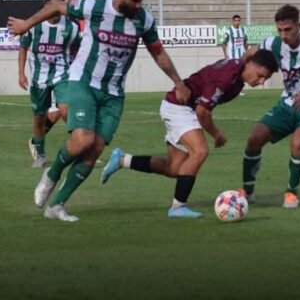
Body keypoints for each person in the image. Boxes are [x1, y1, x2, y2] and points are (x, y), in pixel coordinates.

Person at [8, 0, 190, 222]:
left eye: (141, 0)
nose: (139, 5)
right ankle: (51, 175)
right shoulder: (94, 7)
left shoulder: (144, 20)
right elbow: (58, 7)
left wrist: (178, 82)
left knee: (94, 151)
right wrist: (26, 24)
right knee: (82, 141)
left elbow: (157, 52)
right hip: (84, 82)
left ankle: (56, 205)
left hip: (114, 93)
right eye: (135, 0)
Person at [100, 49, 279, 218]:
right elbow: (203, 112)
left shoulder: (238, 67)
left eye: (266, 78)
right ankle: (178, 207)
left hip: (181, 108)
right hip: (179, 107)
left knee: (173, 168)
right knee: (200, 152)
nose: (262, 81)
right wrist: (217, 135)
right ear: (251, 64)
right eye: (260, 75)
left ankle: (122, 160)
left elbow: (249, 53)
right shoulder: (227, 78)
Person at [240, 5, 300, 209]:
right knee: (254, 139)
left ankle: (291, 193)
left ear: (299, 26)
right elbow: (249, 54)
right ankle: (247, 192)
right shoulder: (272, 43)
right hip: (287, 103)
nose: (283, 35)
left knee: (298, 143)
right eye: (280, 30)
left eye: (288, 30)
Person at [18, 0, 81, 168]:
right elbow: (23, 48)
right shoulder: (34, 26)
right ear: (45, 5)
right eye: (52, 5)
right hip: (39, 78)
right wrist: (21, 73)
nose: (55, 9)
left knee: (66, 109)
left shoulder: (71, 27)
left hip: (63, 75)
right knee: (39, 117)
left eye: (58, 5)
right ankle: (40, 154)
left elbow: (80, 48)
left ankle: (79, 148)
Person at [40, 0, 81, 140]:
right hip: (57, 72)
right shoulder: (48, 20)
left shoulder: (76, 20)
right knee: (63, 109)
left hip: (74, 69)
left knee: (61, 110)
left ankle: (36, 140)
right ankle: (80, 143)